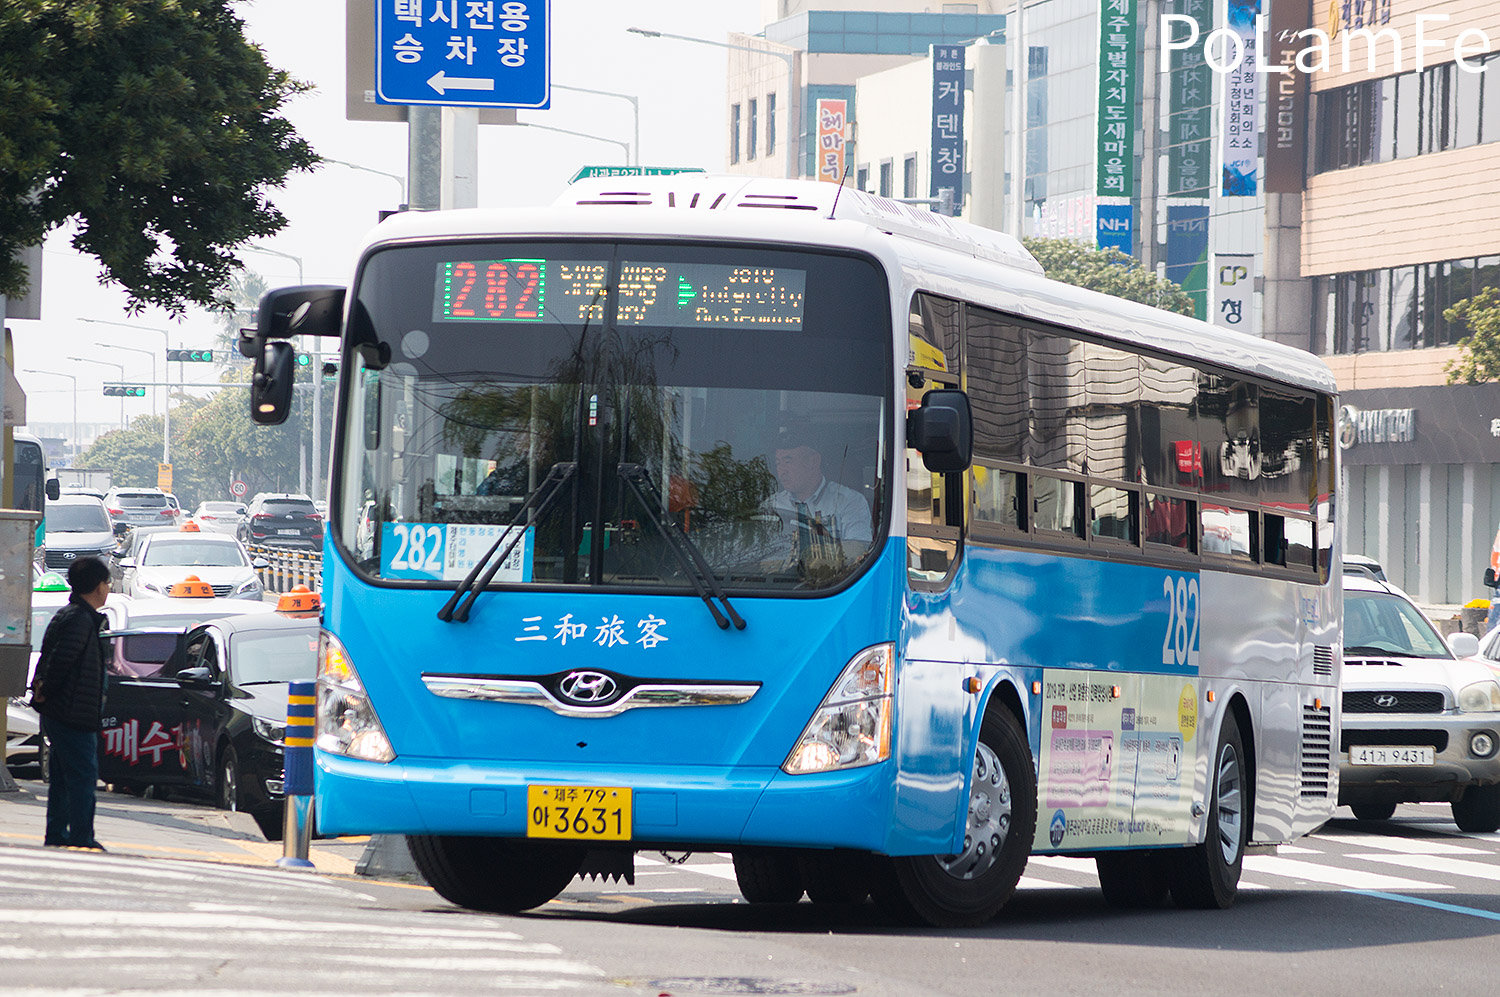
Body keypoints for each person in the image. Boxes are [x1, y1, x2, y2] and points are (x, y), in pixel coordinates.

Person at [29, 556, 112, 851]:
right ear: (98, 586)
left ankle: (59, 835)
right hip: (72, 711)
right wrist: (46, 692)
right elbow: (62, 661)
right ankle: (80, 837)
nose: (108, 588)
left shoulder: (74, 616)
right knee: (82, 777)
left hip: (66, 710)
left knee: (64, 778)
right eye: (106, 582)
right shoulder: (79, 619)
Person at [763, 425, 871, 570]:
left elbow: (858, 551)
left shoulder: (849, 502)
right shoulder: (772, 505)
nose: (782, 471)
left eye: (788, 462)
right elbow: (756, 554)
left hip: (831, 588)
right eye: (778, 463)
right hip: (775, 587)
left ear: (813, 461)